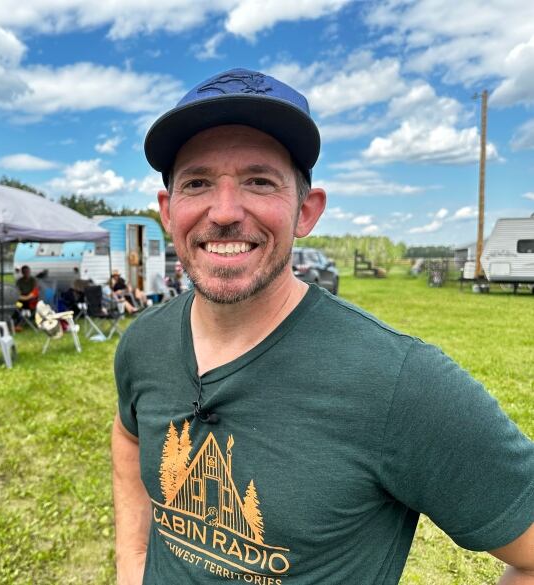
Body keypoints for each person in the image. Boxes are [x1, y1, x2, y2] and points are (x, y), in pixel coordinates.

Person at [111, 68, 534, 585]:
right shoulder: (143, 342)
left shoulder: (401, 382)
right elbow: (129, 437)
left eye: (259, 181)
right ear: (168, 210)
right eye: (197, 183)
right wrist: (132, 567)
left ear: (306, 212)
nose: (223, 212)